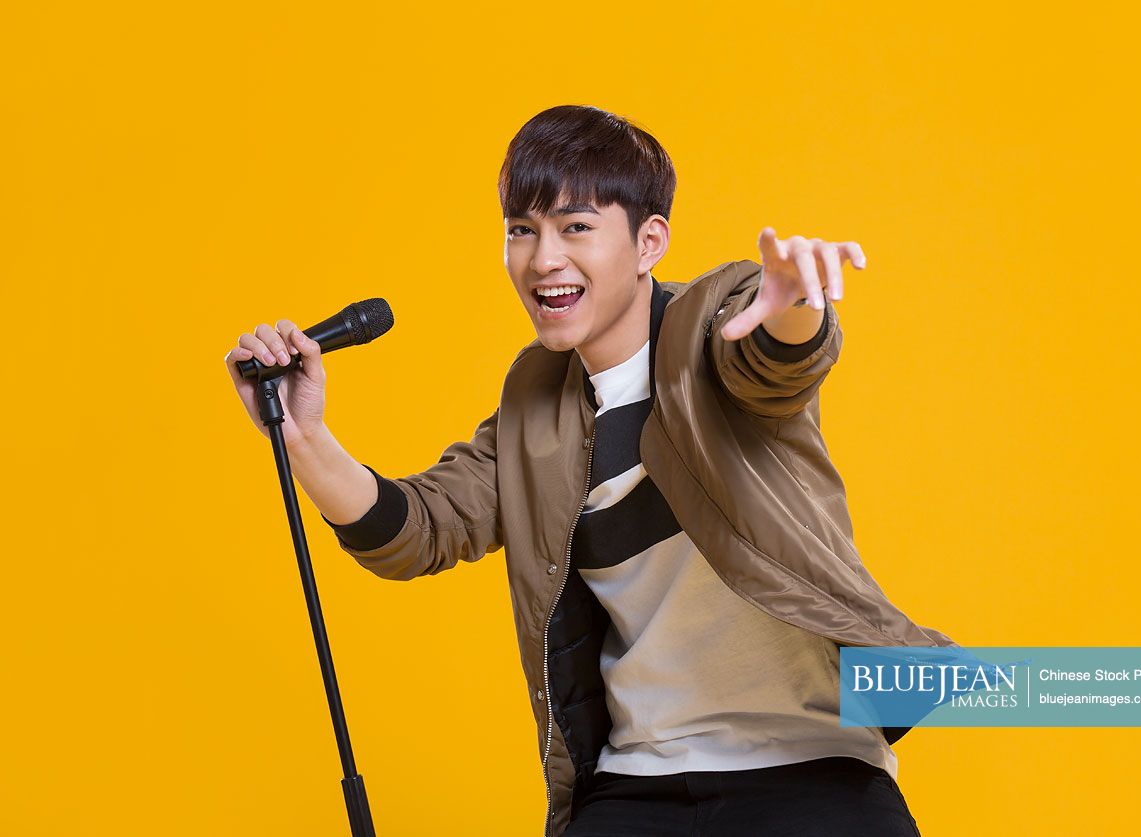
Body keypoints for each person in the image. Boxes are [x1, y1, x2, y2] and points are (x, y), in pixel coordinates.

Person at [224, 104, 956, 836]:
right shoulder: (533, 407)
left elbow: (771, 365)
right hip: (638, 783)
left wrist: (794, 304)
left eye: (575, 226)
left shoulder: (711, 321)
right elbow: (417, 529)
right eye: (522, 230)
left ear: (648, 242)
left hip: (812, 766)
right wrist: (302, 434)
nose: (543, 258)